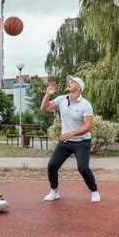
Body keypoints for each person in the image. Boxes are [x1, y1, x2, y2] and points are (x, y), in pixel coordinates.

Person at [40, 75, 100, 203]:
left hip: (82, 142)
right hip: (66, 141)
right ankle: (54, 192)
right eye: (69, 81)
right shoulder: (61, 99)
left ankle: (94, 190)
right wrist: (48, 94)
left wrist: (72, 133)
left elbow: (88, 127)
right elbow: (44, 108)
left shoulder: (85, 104)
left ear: (79, 88)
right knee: (52, 166)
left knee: (83, 168)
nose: (69, 83)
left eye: (72, 82)